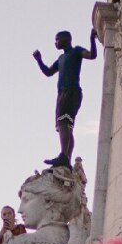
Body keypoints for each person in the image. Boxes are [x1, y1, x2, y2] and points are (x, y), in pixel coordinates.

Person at [32, 29, 98, 168]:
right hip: (62, 93)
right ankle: (66, 157)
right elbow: (48, 72)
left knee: (63, 123)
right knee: (67, 126)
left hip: (71, 92)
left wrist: (92, 39)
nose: (55, 43)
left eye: (57, 39)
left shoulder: (76, 51)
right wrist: (39, 60)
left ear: (66, 39)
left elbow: (92, 55)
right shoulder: (61, 59)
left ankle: (64, 155)